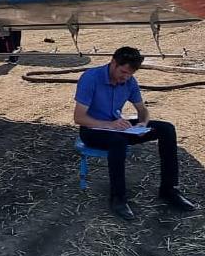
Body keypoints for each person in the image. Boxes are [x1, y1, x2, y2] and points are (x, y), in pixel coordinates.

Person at [73, 46, 196, 220]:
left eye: (130, 74)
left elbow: (142, 110)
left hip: (117, 125)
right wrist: (109, 125)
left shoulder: (130, 81)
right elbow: (79, 117)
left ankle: (169, 190)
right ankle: (118, 198)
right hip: (92, 129)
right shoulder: (91, 78)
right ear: (113, 63)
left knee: (166, 129)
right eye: (123, 72)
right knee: (118, 141)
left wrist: (142, 125)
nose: (126, 77)